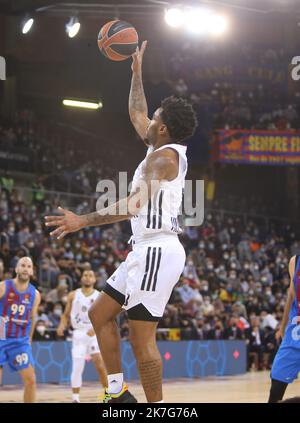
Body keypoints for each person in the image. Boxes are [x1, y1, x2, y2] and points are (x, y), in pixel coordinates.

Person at [45, 40, 198, 403]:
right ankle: (117, 393)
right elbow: (136, 113)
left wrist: (82, 220)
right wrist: (136, 73)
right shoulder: (157, 146)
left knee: (141, 338)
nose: (151, 119)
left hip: (158, 249)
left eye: (156, 118)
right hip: (142, 249)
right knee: (100, 313)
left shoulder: (164, 160)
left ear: (163, 130)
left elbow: (133, 205)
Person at [56, 269, 107, 403]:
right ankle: (75, 398)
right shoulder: (73, 295)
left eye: (90, 275)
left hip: (93, 332)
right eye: (85, 275)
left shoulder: (99, 296)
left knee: (99, 363)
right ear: (81, 278)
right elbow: (66, 314)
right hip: (78, 332)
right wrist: (62, 325)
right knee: (77, 366)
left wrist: (96, 329)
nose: (88, 277)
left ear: (94, 279)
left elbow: (104, 317)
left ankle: (108, 394)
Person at [0, 257, 41, 403]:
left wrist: (29, 339)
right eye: (22, 265)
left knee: (30, 380)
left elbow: (32, 317)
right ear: (16, 269)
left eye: (29, 266)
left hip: (19, 342)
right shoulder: (3, 287)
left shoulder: (35, 295)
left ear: (32, 271)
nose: (25, 268)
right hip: (1, 338)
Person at [268, 255, 300, 403]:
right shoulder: (295, 261)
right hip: (295, 330)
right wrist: (282, 326)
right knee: (276, 384)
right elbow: (291, 294)